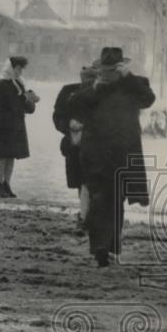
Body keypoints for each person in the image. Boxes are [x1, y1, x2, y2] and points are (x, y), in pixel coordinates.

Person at [67, 47, 155, 267]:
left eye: (113, 70)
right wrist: (95, 88)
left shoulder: (135, 84)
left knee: (116, 202)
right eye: (105, 70)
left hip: (124, 155)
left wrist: (129, 78)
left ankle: (112, 247)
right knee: (100, 200)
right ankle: (101, 249)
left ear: (123, 68)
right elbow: (73, 105)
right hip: (96, 155)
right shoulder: (92, 88)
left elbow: (148, 99)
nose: (108, 74)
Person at [53, 64, 98, 235]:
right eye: (85, 78)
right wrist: (69, 125)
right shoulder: (68, 92)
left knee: (91, 182)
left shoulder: (102, 94)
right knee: (82, 182)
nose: (87, 81)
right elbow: (58, 116)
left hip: (97, 145)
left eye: (91, 78)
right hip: (75, 145)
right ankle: (86, 216)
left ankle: (87, 217)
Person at [0, 55, 39, 198]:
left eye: (21, 69)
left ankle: (7, 184)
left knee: (11, 156)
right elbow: (12, 104)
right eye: (18, 69)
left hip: (15, 125)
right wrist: (26, 97)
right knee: (2, 156)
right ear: (10, 68)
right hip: (3, 126)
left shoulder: (18, 84)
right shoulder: (1, 84)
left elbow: (26, 107)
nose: (20, 72)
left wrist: (31, 100)